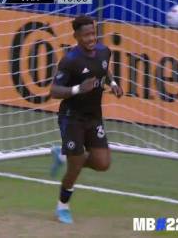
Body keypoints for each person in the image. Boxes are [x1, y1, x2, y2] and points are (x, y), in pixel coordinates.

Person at [50, 15, 123, 224]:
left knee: (103, 163)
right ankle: (62, 207)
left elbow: (104, 68)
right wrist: (77, 89)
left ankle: (63, 156)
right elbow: (54, 90)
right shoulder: (70, 60)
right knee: (75, 167)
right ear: (76, 36)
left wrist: (113, 83)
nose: (91, 38)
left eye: (93, 33)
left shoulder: (103, 51)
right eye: (86, 35)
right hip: (71, 118)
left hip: (94, 117)